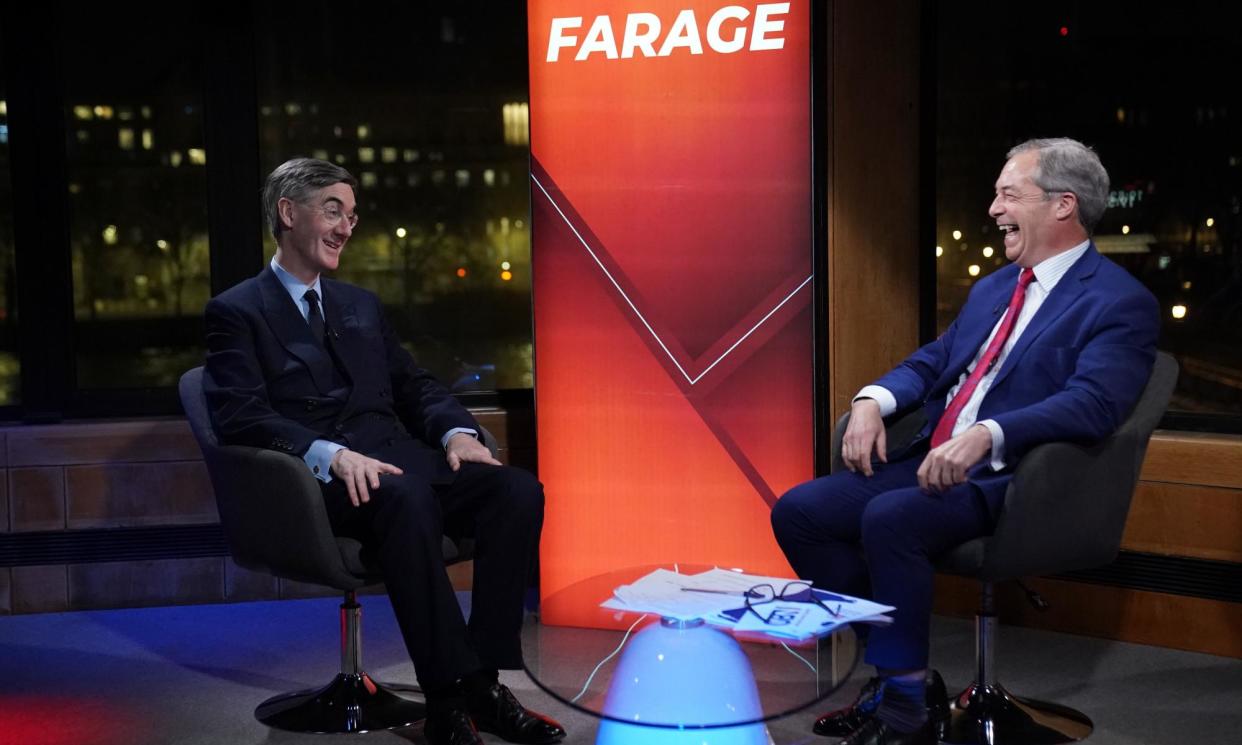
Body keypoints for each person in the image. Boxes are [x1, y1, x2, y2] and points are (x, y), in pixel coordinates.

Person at [771, 138, 1159, 745]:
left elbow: (1095, 404)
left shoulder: (1119, 302)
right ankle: (905, 676)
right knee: (801, 513)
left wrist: (988, 433)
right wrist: (872, 400)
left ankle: (903, 713)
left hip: (1016, 480)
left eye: (1009, 194)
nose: (994, 208)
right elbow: (934, 362)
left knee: (891, 517)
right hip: (931, 459)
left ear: (1063, 205)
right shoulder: (995, 289)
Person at [203, 157, 565, 745]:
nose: (347, 226)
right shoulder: (237, 311)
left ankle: (484, 682)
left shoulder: (359, 304)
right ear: (288, 213)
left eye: (352, 215)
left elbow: (415, 385)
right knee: (406, 499)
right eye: (333, 210)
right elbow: (240, 414)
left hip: (400, 459)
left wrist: (457, 433)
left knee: (515, 489)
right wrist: (328, 452)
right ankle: (447, 697)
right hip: (321, 484)